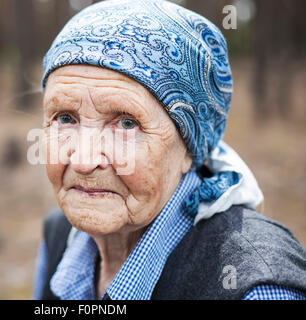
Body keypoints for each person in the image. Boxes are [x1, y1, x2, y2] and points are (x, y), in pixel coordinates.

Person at [32, 0, 306, 300]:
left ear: (189, 149)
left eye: (126, 124)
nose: (83, 161)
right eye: (65, 118)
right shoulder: (58, 236)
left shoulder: (255, 288)